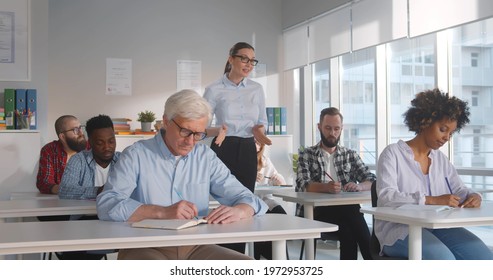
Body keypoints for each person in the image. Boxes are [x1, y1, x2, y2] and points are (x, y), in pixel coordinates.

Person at [97, 89, 268, 260]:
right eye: (185, 131)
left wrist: (241, 210)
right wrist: (162, 212)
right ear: (166, 121)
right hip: (144, 245)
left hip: (195, 247)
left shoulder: (205, 157)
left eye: (198, 134)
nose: (190, 141)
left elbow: (248, 198)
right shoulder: (136, 155)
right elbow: (107, 203)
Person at [375, 88, 492, 260]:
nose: (446, 137)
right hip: (399, 229)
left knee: (483, 257)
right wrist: (431, 200)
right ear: (425, 122)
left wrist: (474, 196)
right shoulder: (392, 154)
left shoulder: (441, 159)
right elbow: (386, 196)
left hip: (438, 225)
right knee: (444, 259)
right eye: (443, 129)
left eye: (451, 133)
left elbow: (459, 190)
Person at [204, 41, 272, 254]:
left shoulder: (256, 89)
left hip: (247, 149)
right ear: (231, 58)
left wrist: (260, 132)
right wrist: (217, 131)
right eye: (244, 58)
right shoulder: (214, 89)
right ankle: (218, 254)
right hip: (222, 146)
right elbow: (201, 126)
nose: (248, 64)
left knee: (244, 204)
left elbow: (262, 121)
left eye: (252, 60)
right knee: (222, 204)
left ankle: (238, 257)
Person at [296, 107, 375, 260]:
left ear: (341, 129)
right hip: (316, 212)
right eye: (328, 128)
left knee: (348, 229)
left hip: (345, 212)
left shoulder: (349, 155)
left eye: (336, 129)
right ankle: (373, 263)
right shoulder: (307, 154)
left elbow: (371, 179)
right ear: (319, 127)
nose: (332, 133)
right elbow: (302, 184)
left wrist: (359, 186)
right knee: (353, 213)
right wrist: (326, 187)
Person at [59, 114, 121, 200]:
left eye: (111, 141)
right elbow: (64, 191)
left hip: (115, 213)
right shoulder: (79, 160)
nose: (107, 147)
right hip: (85, 213)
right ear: (90, 142)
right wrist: (99, 191)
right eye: (100, 143)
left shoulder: (123, 160)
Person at [36, 115, 87, 194]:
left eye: (81, 128)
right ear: (62, 137)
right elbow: (44, 183)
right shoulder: (50, 150)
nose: (81, 133)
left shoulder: (89, 148)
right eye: (75, 130)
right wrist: (69, 190)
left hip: (89, 200)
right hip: (60, 202)